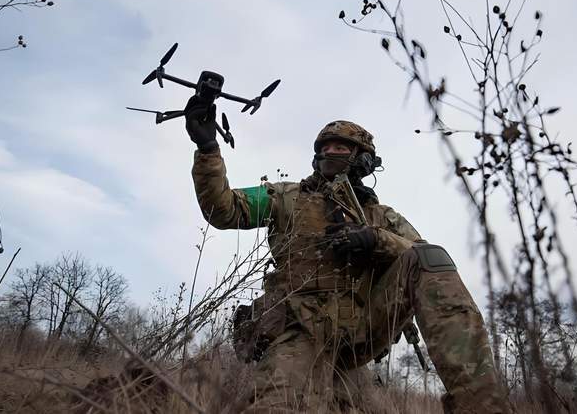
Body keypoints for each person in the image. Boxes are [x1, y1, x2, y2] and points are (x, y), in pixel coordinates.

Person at [185, 97, 509, 413]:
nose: (329, 152)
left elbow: (422, 257)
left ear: (362, 158)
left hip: (362, 330)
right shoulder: (284, 196)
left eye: (340, 147)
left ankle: (481, 404)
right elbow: (223, 208)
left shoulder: (383, 216)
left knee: (431, 259)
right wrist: (208, 150)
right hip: (300, 326)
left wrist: (375, 239)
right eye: (324, 148)